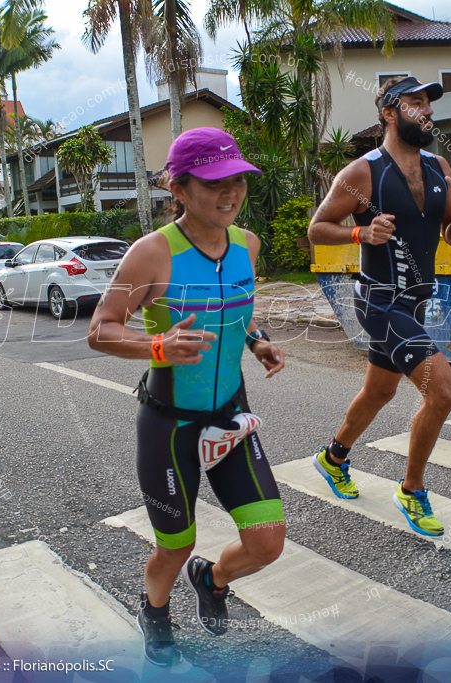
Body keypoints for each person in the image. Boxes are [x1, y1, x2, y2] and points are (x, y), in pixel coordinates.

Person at [88, 127, 286, 666]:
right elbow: (101, 328)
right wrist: (157, 344)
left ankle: (213, 579)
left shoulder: (247, 244)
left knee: (268, 541)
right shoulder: (151, 254)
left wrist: (257, 340)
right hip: (169, 425)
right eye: (214, 182)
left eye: (238, 180)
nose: (231, 193)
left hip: (230, 416)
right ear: (178, 188)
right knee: (175, 544)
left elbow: (239, 310)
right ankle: (154, 611)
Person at [307, 76, 451, 536]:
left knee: (380, 392)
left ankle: (333, 456)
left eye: (429, 104)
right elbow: (318, 228)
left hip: (418, 302)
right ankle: (412, 489)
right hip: (381, 302)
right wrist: (359, 233)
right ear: (389, 112)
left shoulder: (437, 165)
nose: (426, 112)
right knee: (442, 392)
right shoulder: (362, 172)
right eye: (415, 103)